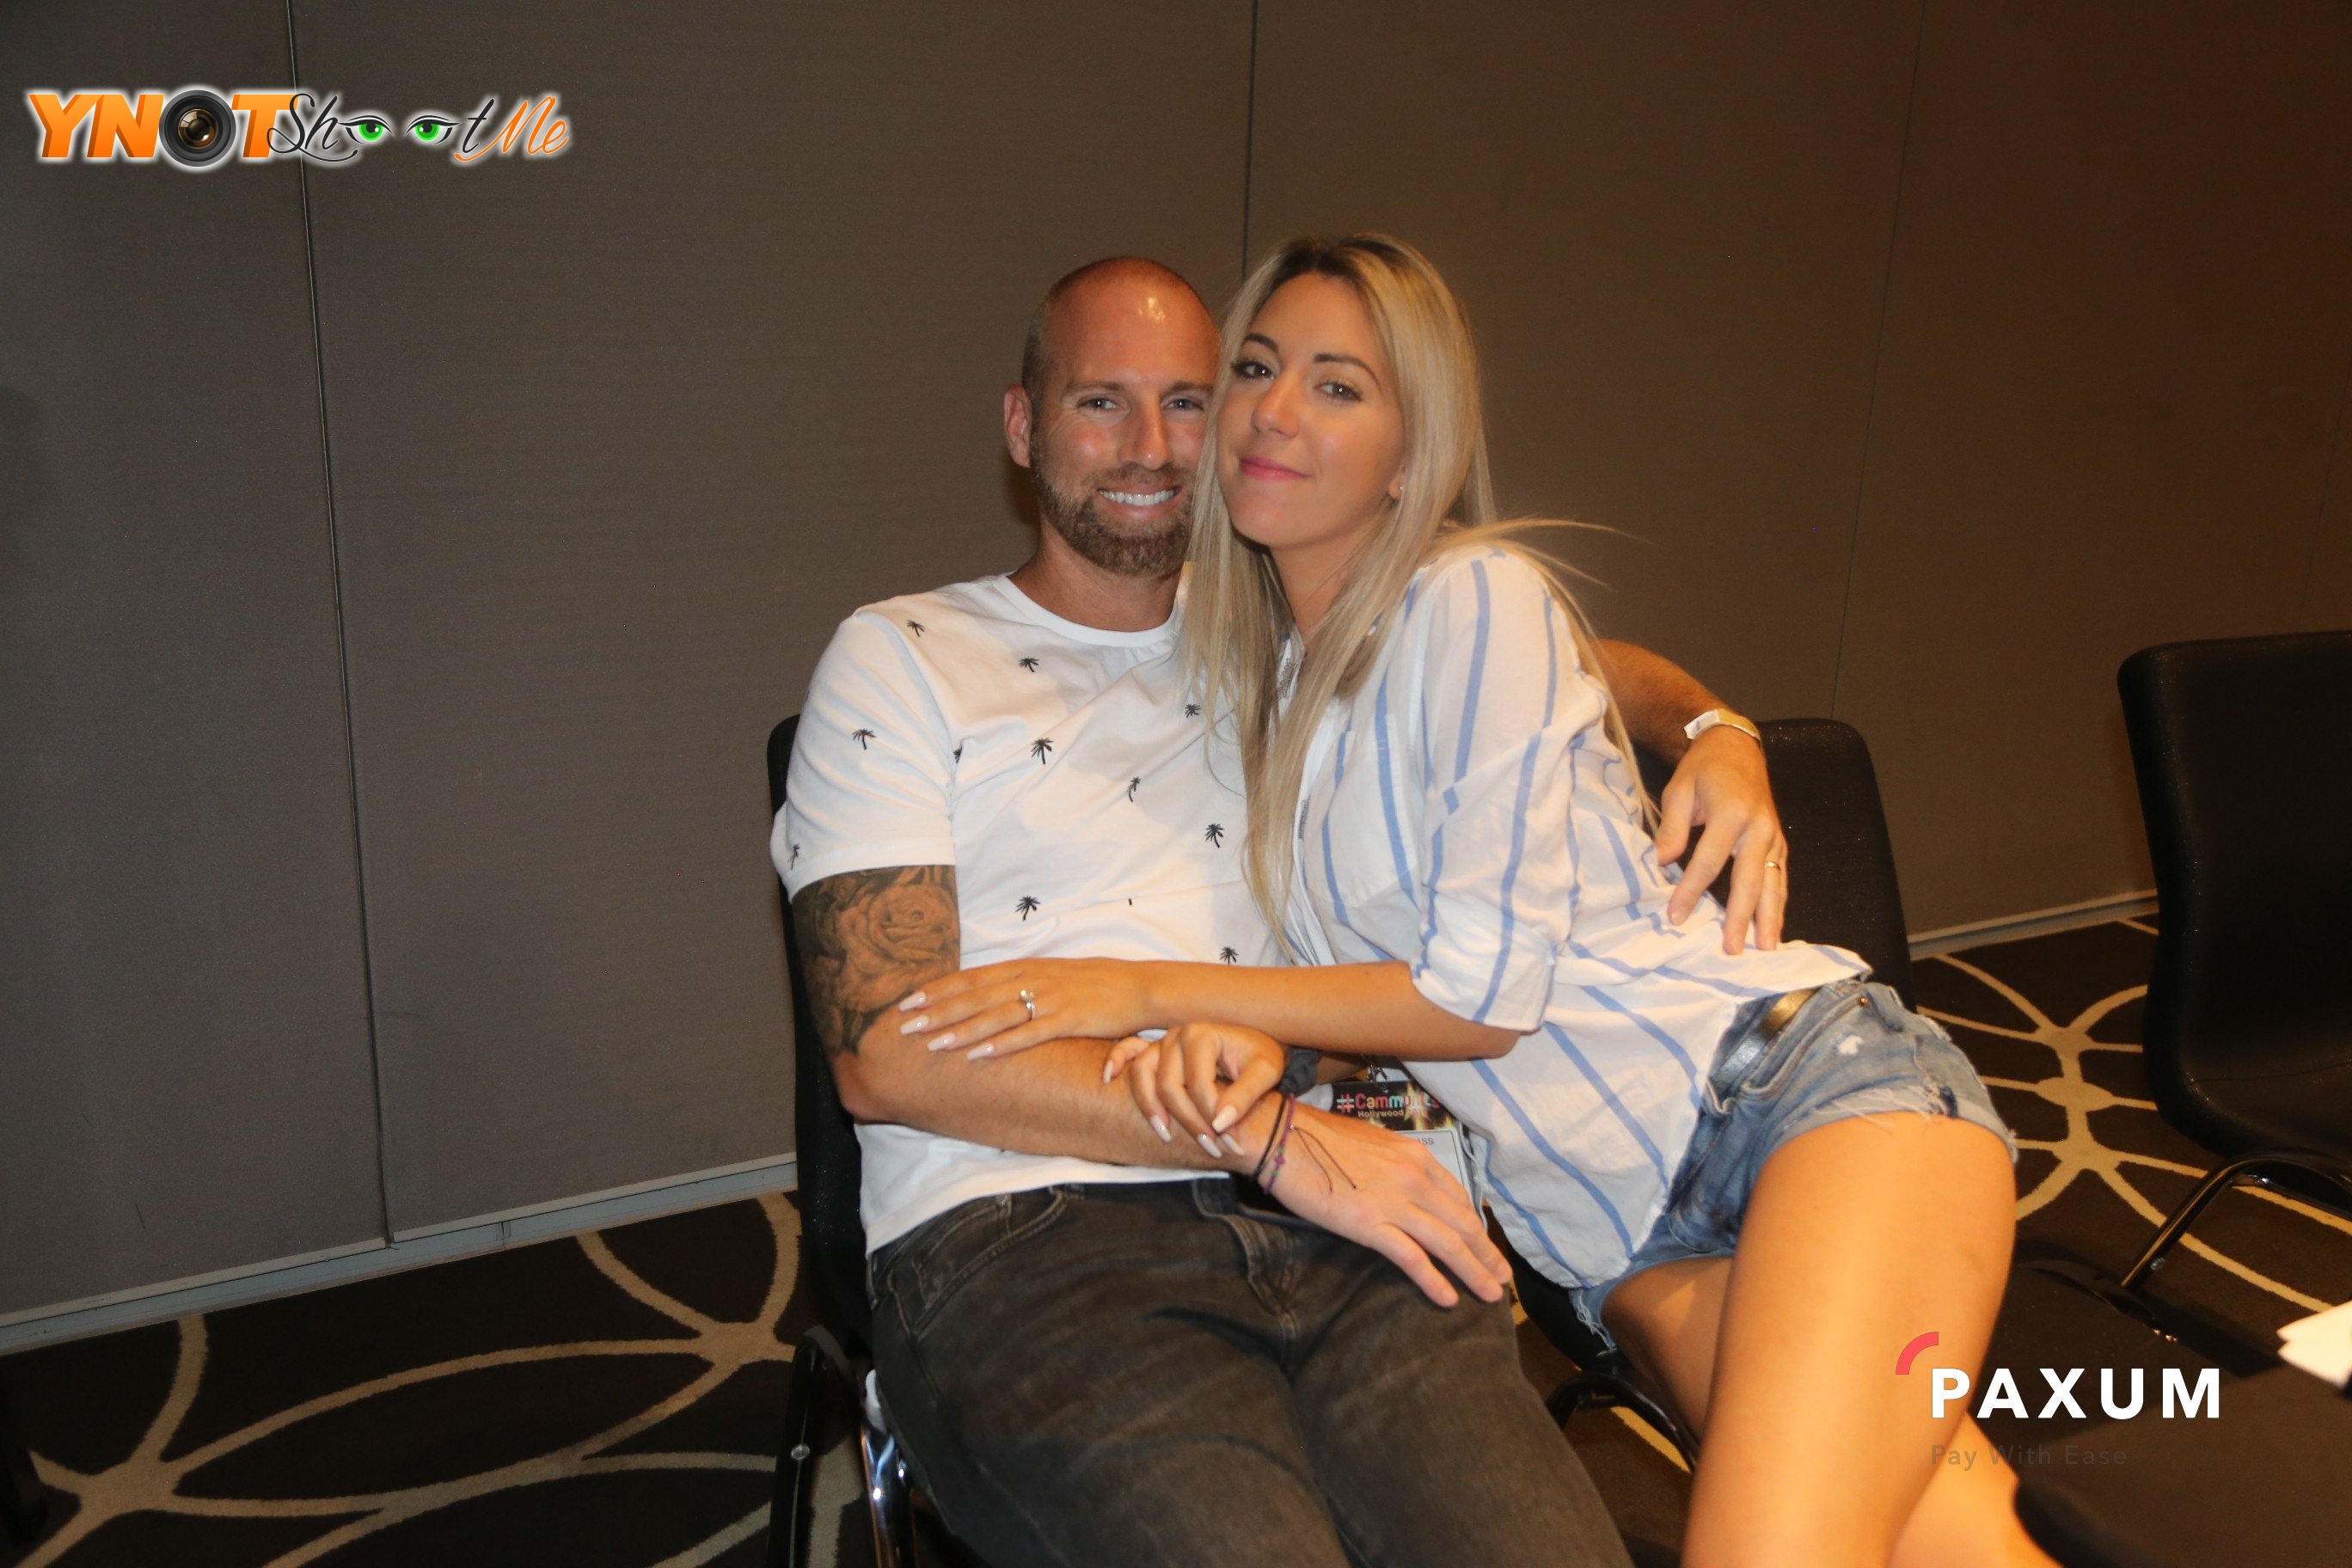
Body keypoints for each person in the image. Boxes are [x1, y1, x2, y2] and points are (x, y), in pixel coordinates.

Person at [901, 237, 2048, 1568]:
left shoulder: (1475, 598)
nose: (1276, 411)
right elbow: (1605, 669)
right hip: (1616, 1238)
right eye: (1257, 370)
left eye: (1340, 386)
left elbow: (1479, 1001)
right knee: (1954, 1548)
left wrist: (1142, 990)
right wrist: (1268, 1037)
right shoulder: (1264, 665)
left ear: (1413, 457)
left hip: (1793, 1101)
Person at [778, 253, 1785, 1567]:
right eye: (1101, 402)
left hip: (1350, 1214)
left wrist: (1715, 729)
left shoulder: (1284, 629)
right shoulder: (904, 657)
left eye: (1190, 402)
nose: (1151, 446)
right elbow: (887, 1055)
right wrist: (1264, 1138)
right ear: (1023, 427)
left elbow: (1564, 657)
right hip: (1038, 1230)